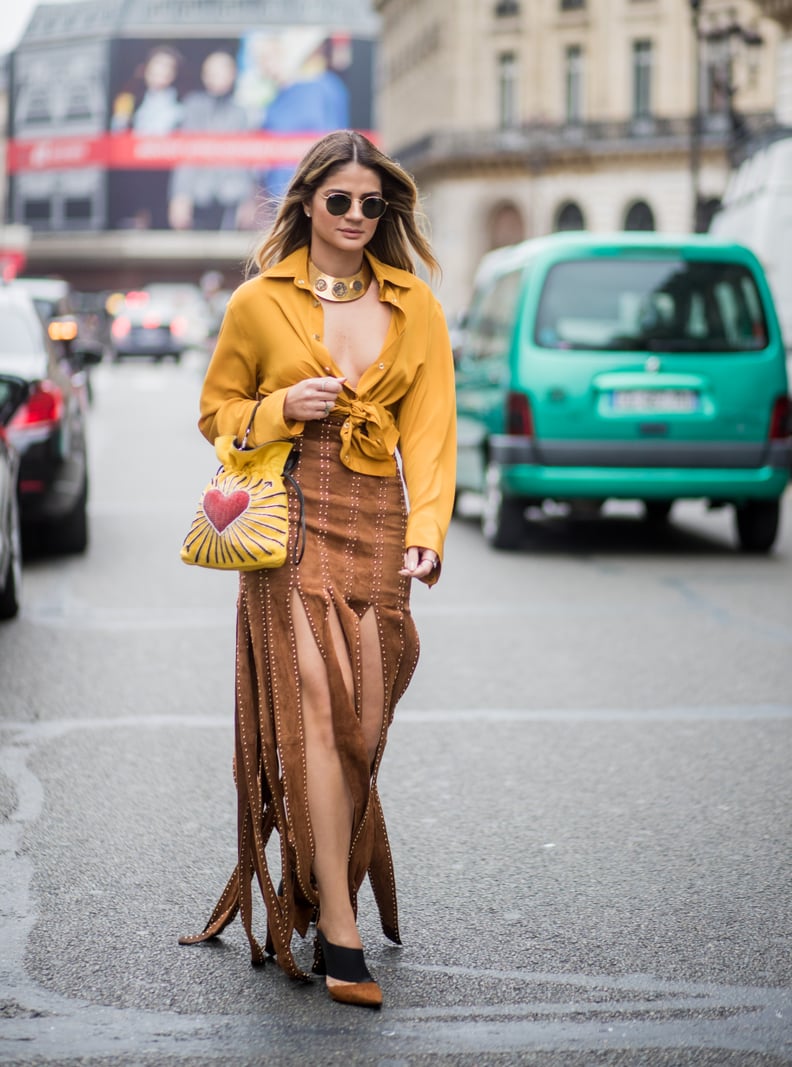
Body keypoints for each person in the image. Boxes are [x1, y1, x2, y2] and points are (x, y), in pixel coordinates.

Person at [180, 130, 456, 1009]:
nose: (357, 217)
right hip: (292, 509)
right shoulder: (259, 302)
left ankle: (319, 860)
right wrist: (276, 406)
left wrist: (429, 528)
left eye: (373, 204)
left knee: (358, 726)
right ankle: (339, 926)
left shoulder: (416, 304)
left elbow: (432, 430)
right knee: (313, 700)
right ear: (307, 203)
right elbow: (216, 415)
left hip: (377, 519)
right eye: (340, 200)